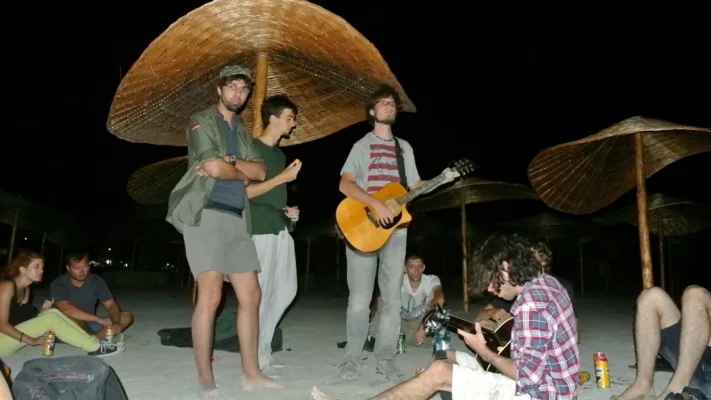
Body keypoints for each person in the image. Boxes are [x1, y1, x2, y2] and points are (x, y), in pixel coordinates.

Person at [312, 233, 579, 400]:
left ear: (506, 268)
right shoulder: (547, 283)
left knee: (440, 371)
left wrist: (485, 353)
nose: (488, 288)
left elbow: (527, 379)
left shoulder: (531, 305)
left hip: (542, 394)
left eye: (489, 280)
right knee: (450, 356)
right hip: (556, 385)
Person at [165, 64, 279, 397]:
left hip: (236, 217)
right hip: (206, 214)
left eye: (243, 90)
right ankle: (205, 376)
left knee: (251, 295)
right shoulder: (201, 120)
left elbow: (258, 172)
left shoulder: (242, 130)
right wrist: (235, 167)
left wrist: (230, 162)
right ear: (219, 89)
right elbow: (211, 165)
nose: (237, 95)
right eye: (231, 87)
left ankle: (251, 373)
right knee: (211, 296)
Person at [338, 83, 458, 381]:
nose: (389, 105)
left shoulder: (404, 148)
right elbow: (346, 184)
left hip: (397, 231)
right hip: (363, 229)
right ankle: (352, 358)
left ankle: (386, 357)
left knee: (391, 298)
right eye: (382, 102)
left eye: (392, 102)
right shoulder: (361, 146)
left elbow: (414, 187)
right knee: (359, 299)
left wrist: (443, 178)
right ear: (372, 111)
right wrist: (375, 204)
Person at [245, 94, 302, 372]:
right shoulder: (252, 149)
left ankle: (263, 349)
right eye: (290, 118)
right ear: (273, 118)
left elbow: (273, 196)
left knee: (286, 290)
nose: (293, 125)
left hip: (280, 228)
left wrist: (289, 211)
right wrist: (282, 179)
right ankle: (255, 357)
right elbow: (244, 192)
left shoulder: (280, 155)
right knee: (260, 294)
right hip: (259, 230)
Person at [0, 250, 121, 358]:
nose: (41, 270)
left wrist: (42, 313)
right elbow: (2, 325)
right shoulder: (6, 286)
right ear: (22, 269)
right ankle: (94, 347)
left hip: (11, 340)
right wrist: (31, 340)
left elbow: (21, 319)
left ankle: (94, 339)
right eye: (36, 266)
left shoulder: (26, 290)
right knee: (52, 317)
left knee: (52, 313)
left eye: (42, 267)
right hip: (2, 343)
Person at [611, 286, 710, 400]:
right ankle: (643, 386)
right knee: (651, 296)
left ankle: (679, 386)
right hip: (693, 355)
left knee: (696, 295)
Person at [475, 237, 580, 344]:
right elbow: (480, 314)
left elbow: (574, 336)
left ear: (545, 261)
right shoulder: (514, 285)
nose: (527, 261)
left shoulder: (562, 286)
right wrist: (492, 312)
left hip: (538, 341)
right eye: (525, 257)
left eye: (532, 257)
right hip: (517, 334)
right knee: (484, 324)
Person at [50, 251, 133, 349]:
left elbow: (110, 304)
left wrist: (115, 321)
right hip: (69, 323)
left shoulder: (95, 280)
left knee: (126, 317)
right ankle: (93, 339)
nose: (82, 272)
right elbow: (66, 309)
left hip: (89, 324)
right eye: (77, 268)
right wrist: (98, 319)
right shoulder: (59, 283)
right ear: (68, 268)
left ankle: (93, 340)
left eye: (85, 267)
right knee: (61, 321)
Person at [368, 254, 444, 348]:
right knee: (385, 303)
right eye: (412, 266)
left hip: (420, 324)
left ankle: (395, 339)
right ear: (405, 269)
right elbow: (381, 299)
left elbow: (440, 298)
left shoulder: (431, 280)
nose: (416, 271)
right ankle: (372, 337)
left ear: (423, 268)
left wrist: (424, 323)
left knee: (427, 341)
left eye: (419, 266)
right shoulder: (398, 281)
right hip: (400, 322)